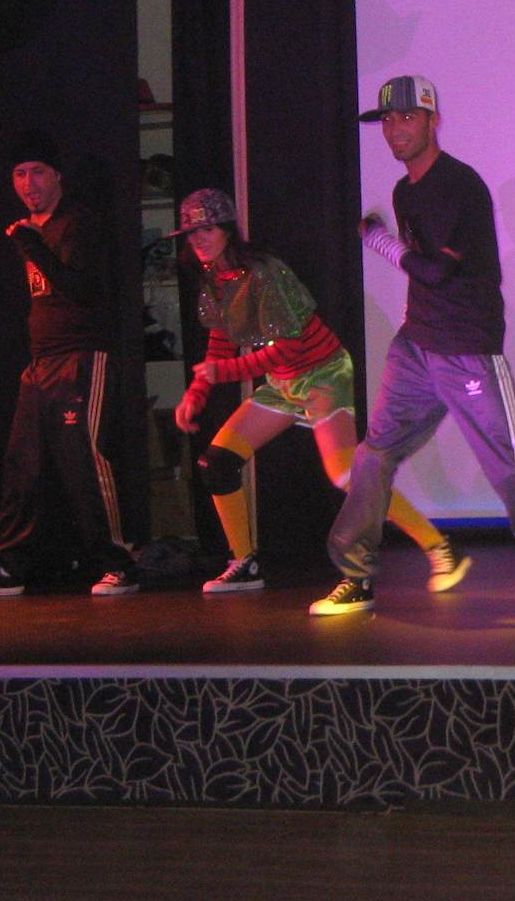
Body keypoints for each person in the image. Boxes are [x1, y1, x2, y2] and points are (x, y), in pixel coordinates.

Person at [317, 76, 515, 616]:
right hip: (416, 345)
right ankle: (355, 575)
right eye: (387, 120)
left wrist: (378, 241)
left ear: (432, 120)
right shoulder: (405, 191)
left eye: (407, 117)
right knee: (373, 454)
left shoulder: (460, 185)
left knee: (509, 464)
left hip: (465, 348)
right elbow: (424, 275)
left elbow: (436, 271)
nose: (395, 130)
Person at [166, 186, 464, 603]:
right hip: (283, 383)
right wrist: (197, 392)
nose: (199, 239)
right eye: (191, 233)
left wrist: (223, 373)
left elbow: (287, 348)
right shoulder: (216, 278)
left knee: (345, 474)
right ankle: (245, 561)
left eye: (207, 229)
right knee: (216, 463)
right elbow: (222, 339)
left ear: (228, 229)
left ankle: (438, 546)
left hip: (322, 375)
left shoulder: (263, 272)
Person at [0, 130, 141, 598]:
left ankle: (119, 562)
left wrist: (32, 245)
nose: (28, 183)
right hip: (41, 361)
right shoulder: (29, 229)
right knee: (23, 464)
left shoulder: (78, 222)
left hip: (82, 356)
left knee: (86, 461)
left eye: (37, 172)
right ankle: (6, 564)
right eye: (19, 174)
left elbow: (83, 290)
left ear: (57, 176)